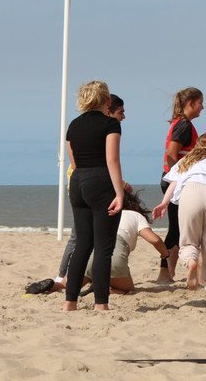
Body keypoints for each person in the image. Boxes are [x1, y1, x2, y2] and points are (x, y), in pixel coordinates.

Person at [27, 189, 170, 296]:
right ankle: (106, 288)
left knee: (66, 284)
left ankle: (54, 285)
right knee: (128, 288)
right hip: (112, 259)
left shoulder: (103, 215)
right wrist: (165, 254)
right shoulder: (135, 215)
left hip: (88, 257)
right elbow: (155, 240)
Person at [63, 80, 124, 311]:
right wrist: (119, 193)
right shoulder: (110, 124)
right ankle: (100, 304)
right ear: (107, 100)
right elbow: (112, 160)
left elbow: (74, 161)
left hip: (78, 181)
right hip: (100, 181)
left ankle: (70, 302)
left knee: (82, 245)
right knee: (103, 247)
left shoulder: (73, 125)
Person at [153, 133, 206, 296]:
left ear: (197, 145)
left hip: (190, 193)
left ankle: (191, 262)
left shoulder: (187, 159)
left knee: (188, 242)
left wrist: (164, 202)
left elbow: (174, 182)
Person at [157, 87, 204, 283]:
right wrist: (179, 177)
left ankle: (168, 273)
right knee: (177, 230)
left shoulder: (182, 124)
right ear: (191, 103)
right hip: (174, 182)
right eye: (201, 103)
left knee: (176, 228)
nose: (203, 107)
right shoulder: (183, 125)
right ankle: (164, 273)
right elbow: (171, 153)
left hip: (172, 180)